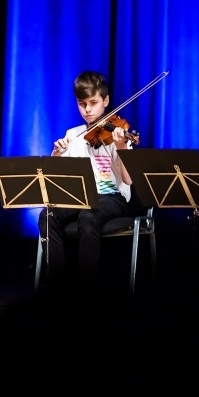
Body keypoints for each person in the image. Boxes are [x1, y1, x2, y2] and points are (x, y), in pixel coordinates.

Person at [38, 71, 135, 301]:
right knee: (48, 215)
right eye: (82, 104)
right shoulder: (74, 135)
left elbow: (129, 181)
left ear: (106, 101)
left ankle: (86, 293)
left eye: (93, 103)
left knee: (87, 215)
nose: (88, 110)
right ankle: (57, 288)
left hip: (112, 198)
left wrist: (121, 147)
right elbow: (54, 179)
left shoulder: (116, 133)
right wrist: (57, 154)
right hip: (80, 197)